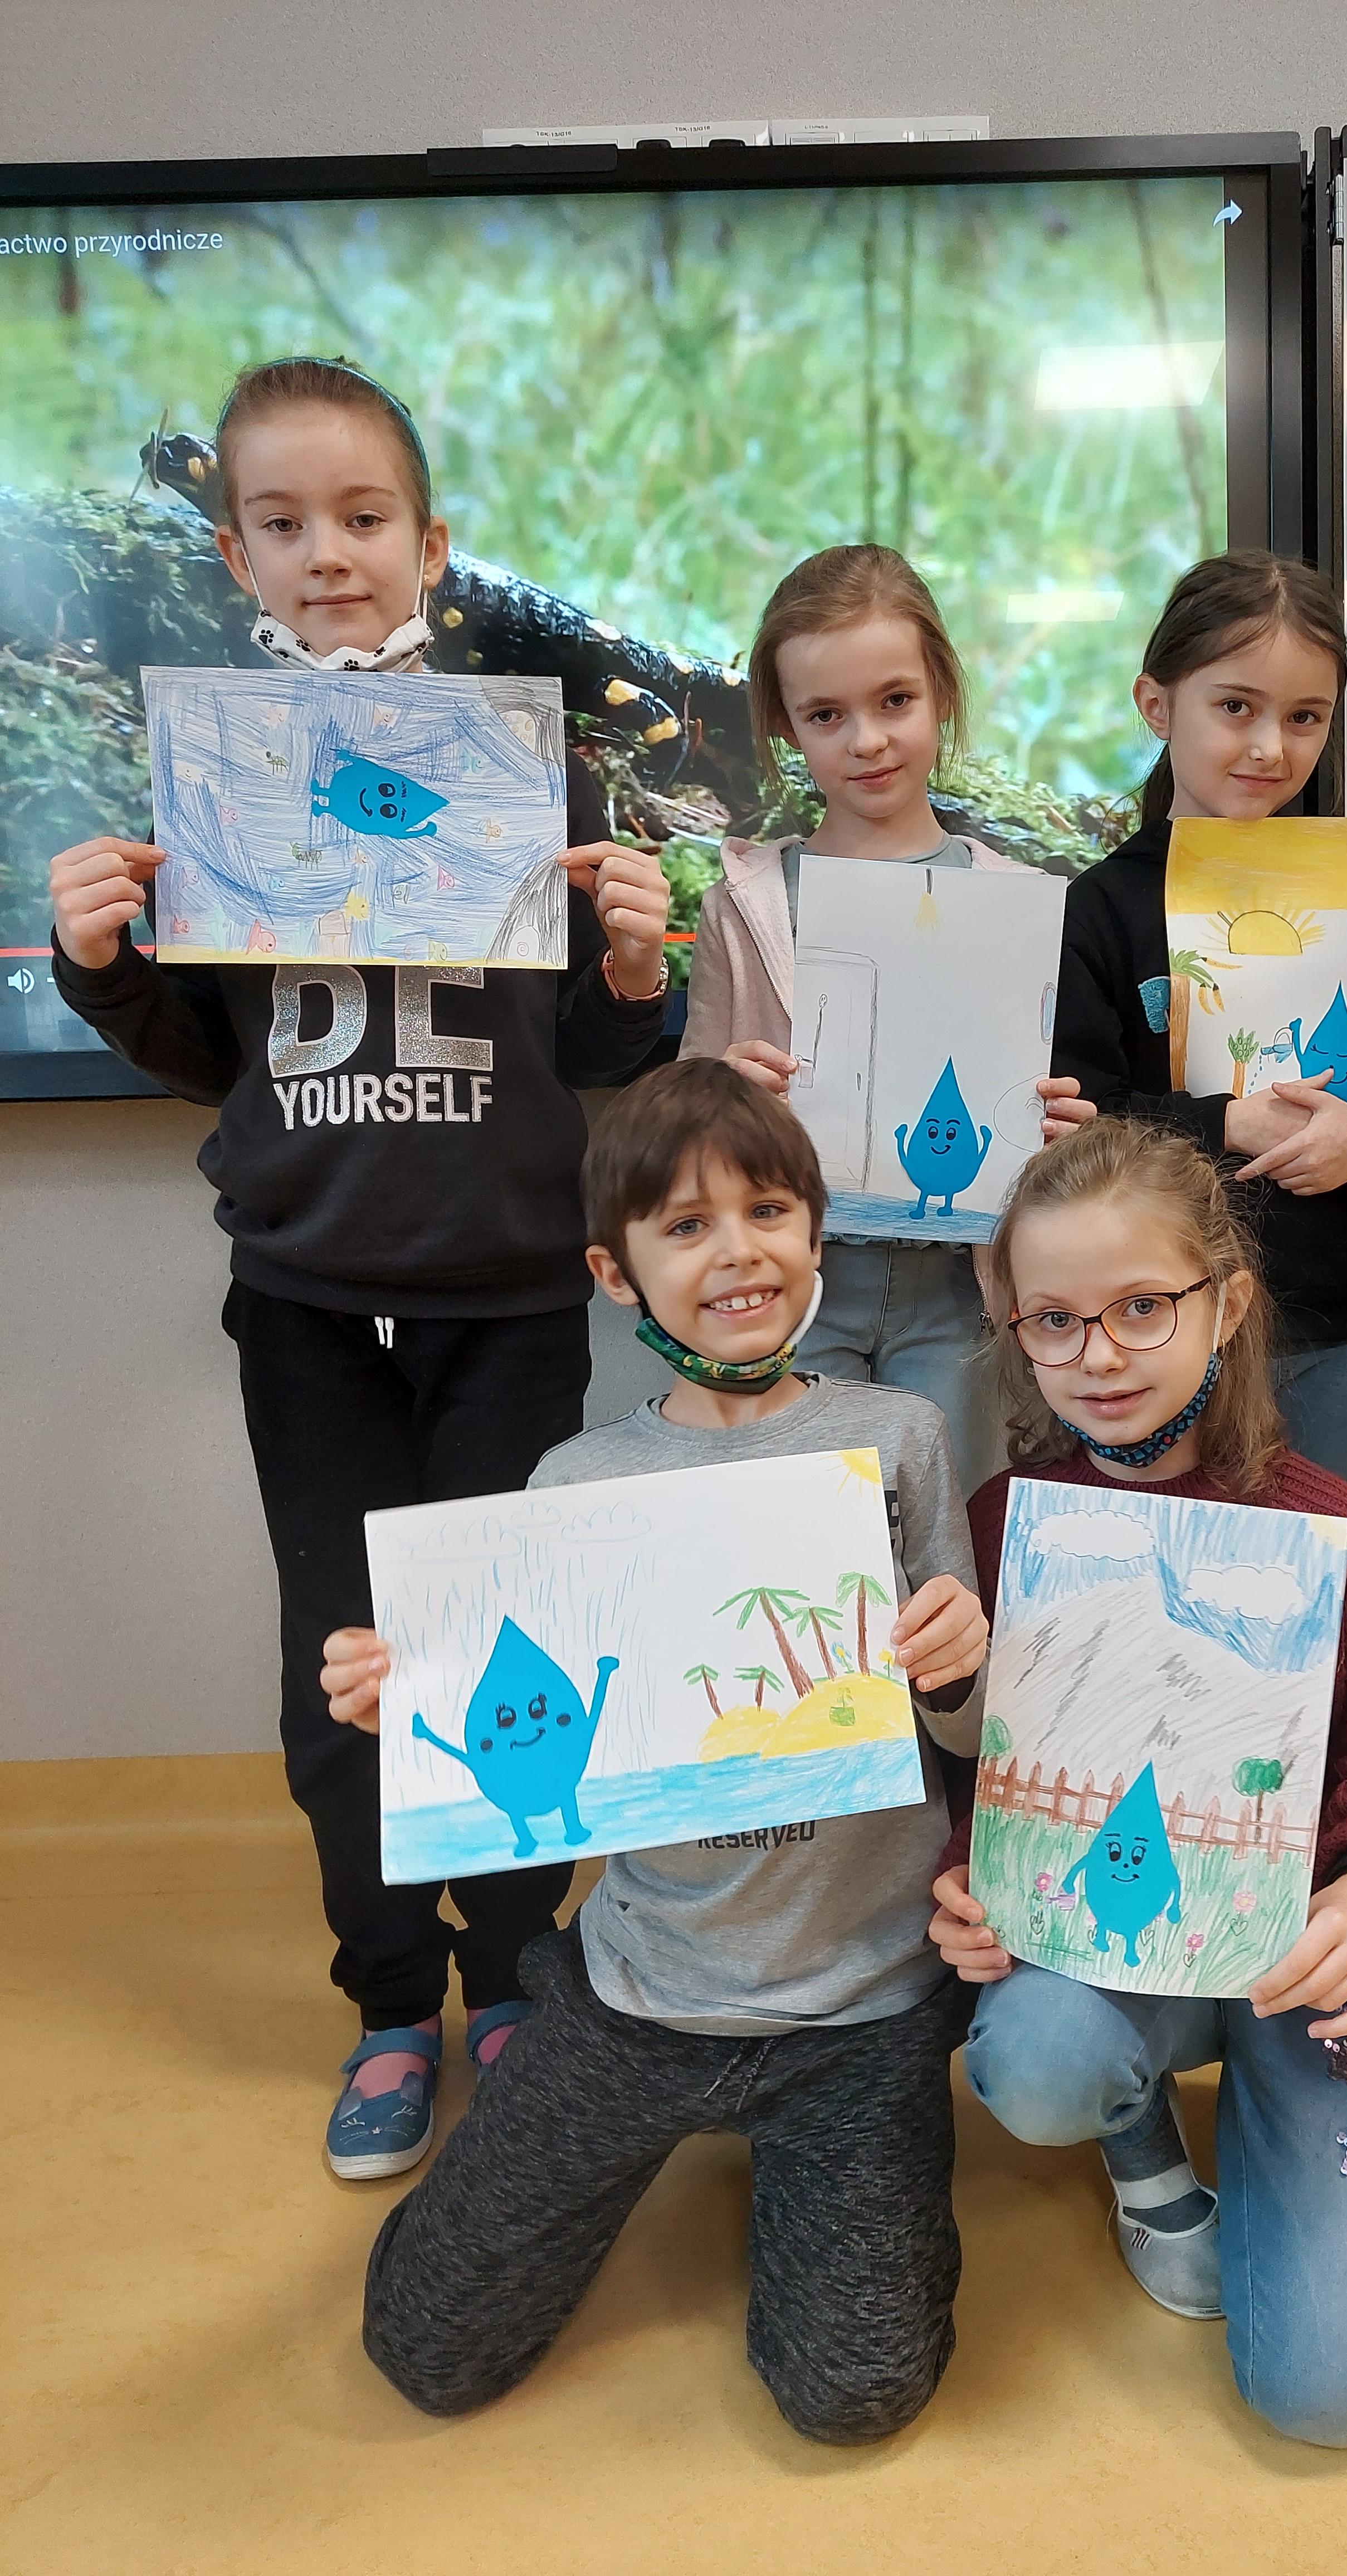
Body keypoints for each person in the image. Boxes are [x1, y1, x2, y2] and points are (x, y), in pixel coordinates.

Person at [46, 357, 673, 2179]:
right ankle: (391, 1998)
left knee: (509, 1654)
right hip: (308, 1304)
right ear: (234, 553)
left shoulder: (527, 758)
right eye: (284, 521)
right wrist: (103, 962)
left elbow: (598, 1055)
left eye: (363, 515)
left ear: (430, 541)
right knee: (344, 1674)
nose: (328, 552)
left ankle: (518, 1975)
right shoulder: (219, 765)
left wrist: (638, 968)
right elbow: (202, 1055)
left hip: (512, 1294)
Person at [321, 1057, 990, 2443]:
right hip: (641, 1987)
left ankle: (813, 2177)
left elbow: (968, 1736)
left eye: (768, 1209)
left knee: (855, 2393)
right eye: (687, 1225)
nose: (737, 1250)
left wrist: (964, 1662)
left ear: (815, 1230)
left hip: (863, 2003)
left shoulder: (901, 1438)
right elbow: (545, 1767)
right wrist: (413, 1720)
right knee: (425, 2346)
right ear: (615, 1274)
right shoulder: (578, 1485)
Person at [927, 1120, 1347, 2446]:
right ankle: (1139, 2139)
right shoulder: (1003, 1524)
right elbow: (980, 1766)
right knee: (1039, 2059)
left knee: (1333, 2398)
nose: (1100, 1353)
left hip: (1289, 1954)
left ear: (1226, 1305)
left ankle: (1284, 2099)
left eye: (1143, 1306)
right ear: (1016, 1326)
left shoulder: (1324, 1524)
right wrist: (967, 1880)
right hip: (1108, 1935)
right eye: (1056, 1319)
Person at [681, 543, 1091, 1495]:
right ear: (784, 724)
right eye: (827, 715)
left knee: (945, 1534)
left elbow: (1038, 1113)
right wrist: (724, 1094)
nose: (866, 741)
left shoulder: (1015, 900)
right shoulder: (745, 901)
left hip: (959, 1295)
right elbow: (683, 1123)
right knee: (808, 1535)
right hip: (793, 1289)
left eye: (895, 701)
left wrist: (1063, 1132)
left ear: (941, 691)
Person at [1049, 551, 1347, 1494]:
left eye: (1305, 717)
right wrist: (1229, 1122)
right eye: (1236, 706)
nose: (1270, 746)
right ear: (1158, 705)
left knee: (1319, 1557)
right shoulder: (1101, 907)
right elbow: (1079, 1120)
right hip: (1150, 1322)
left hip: (1331, 1314)